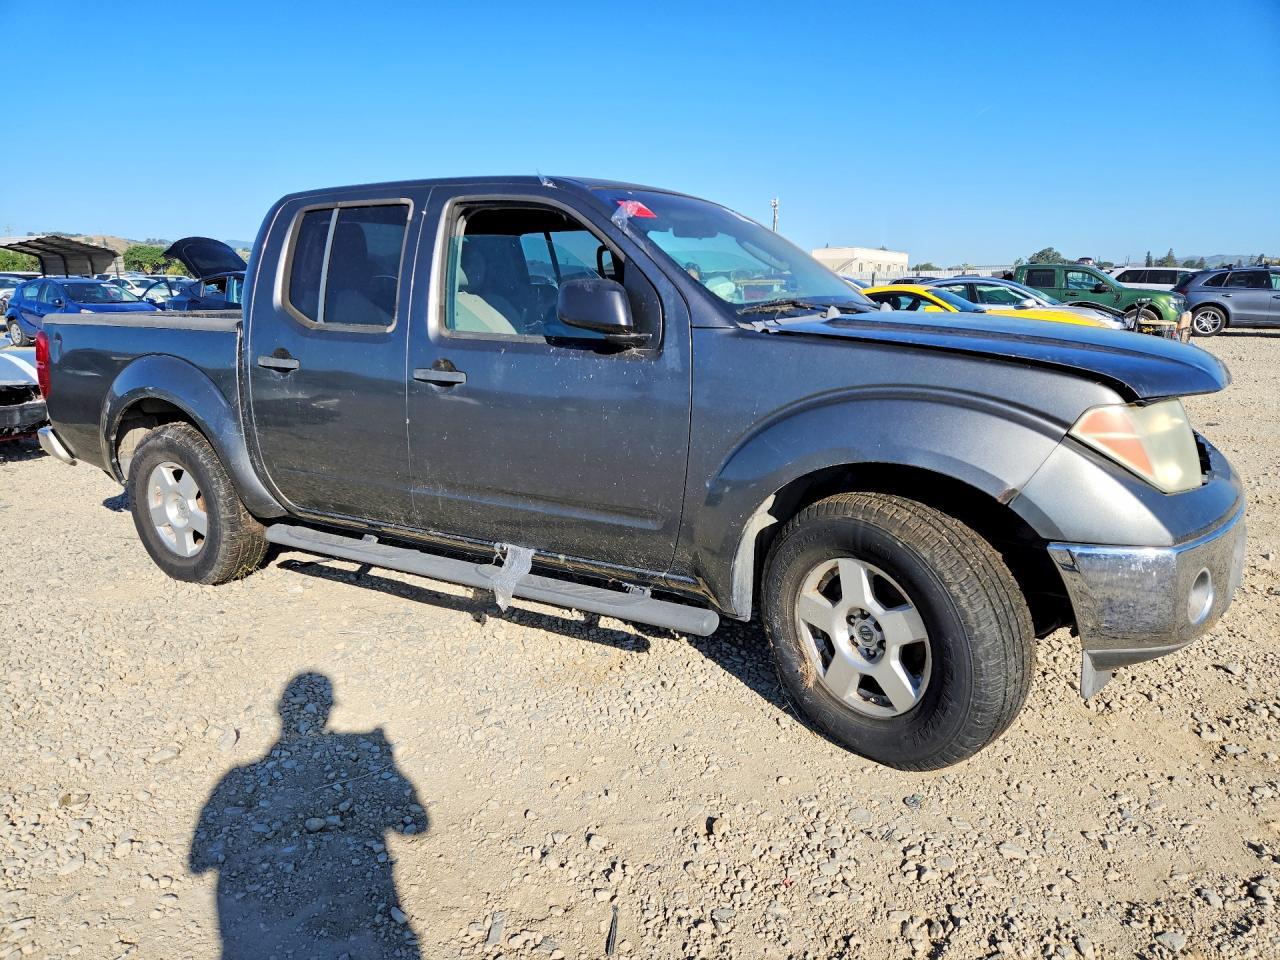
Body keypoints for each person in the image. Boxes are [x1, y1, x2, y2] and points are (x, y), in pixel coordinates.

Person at [189, 673, 428, 959]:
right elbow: (417, 825)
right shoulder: (238, 779)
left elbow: (198, 862)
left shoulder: (235, 779)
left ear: (280, 710)